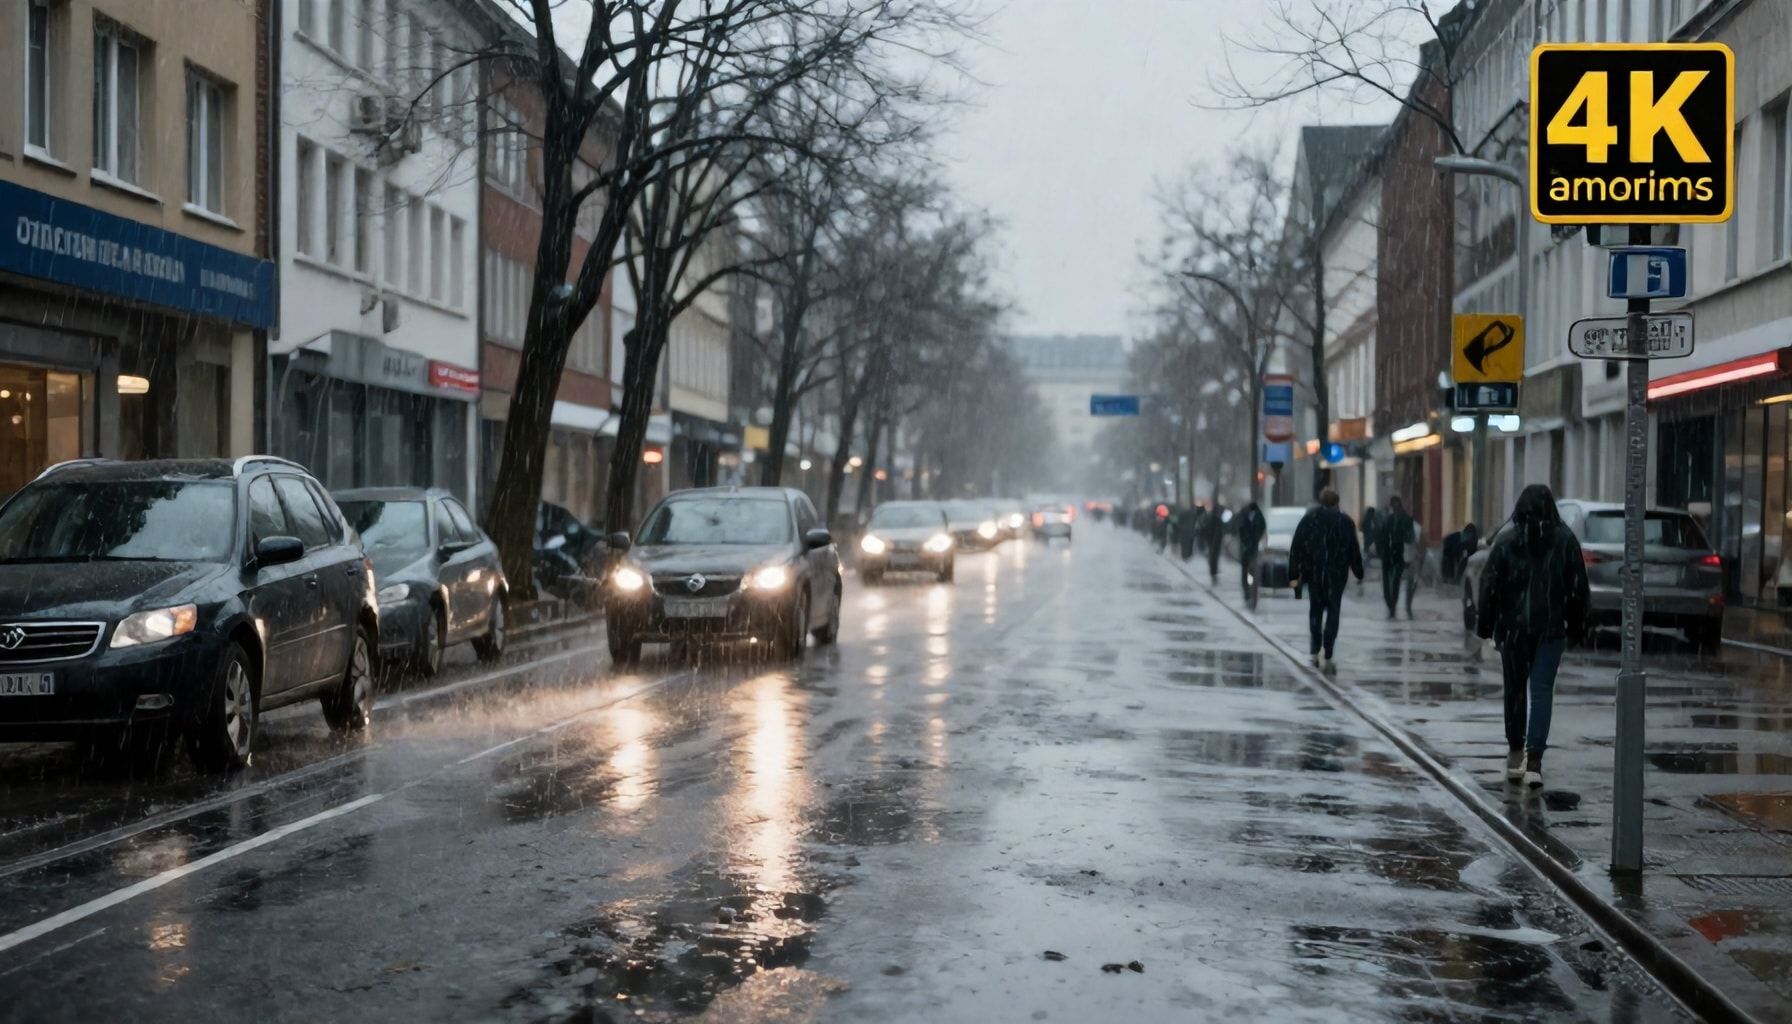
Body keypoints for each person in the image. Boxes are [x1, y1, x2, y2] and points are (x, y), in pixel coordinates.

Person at [1475, 484, 1590, 790]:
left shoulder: (1507, 541)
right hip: (1550, 630)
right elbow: (1578, 589)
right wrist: (1578, 626)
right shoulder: (1565, 541)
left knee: (1515, 690)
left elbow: (1489, 587)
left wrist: (1485, 624)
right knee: (1541, 692)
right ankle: (1535, 760)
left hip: (1512, 630)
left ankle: (1515, 754)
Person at [1288, 489, 1364, 671]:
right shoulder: (1345, 522)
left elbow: (1297, 545)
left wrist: (1293, 573)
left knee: (1315, 609)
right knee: (1333, 610)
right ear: (1337, 502)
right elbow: (1353, 548)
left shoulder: (1310, 519)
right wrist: (1358, 570)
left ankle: (1315, 648)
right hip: (1336, 575)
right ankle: (1328, 649)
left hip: (1314, 573)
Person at [1379, 496, 1416, 619]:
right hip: (1387, 554)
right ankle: (1390, 604)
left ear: (1400, 505)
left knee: (1395, 581)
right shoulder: (1387, 519)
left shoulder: (1406, 519)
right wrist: (1382, 551)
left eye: (1396, 504)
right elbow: (1382, 536)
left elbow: (1411, 537)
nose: (1394, 506)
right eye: (1393, 504)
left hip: (1399, 554)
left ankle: (1393, 606)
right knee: (1386, 582)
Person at [1236, 501, 1267, 601]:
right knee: (1247, 570)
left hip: (1251, 548)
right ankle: (1248, 592)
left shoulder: (1255, 516)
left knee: (1249, 570)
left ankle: (1250, 592)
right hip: (1249, 547)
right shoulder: (1254, 515)